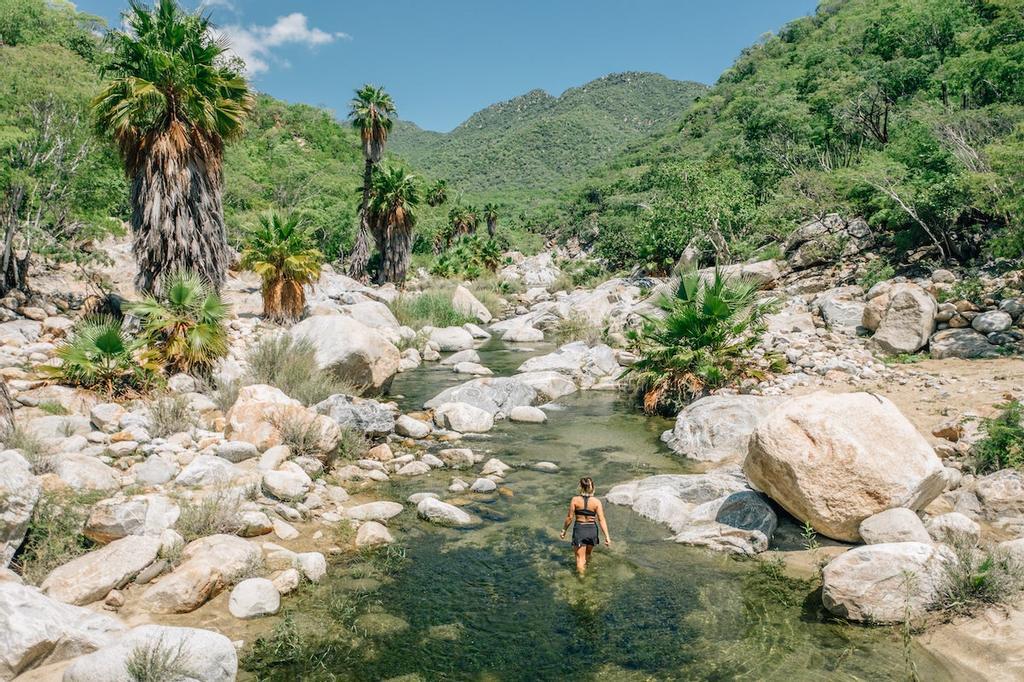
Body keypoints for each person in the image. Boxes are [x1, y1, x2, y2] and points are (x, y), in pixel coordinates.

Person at [560, 477, 611, 574]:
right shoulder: (596, 502)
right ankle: (587, 571)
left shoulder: (575, 500)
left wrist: (564, 530)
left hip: (580, 530)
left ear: (580, 487)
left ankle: (582, 580)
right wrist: (607, 537)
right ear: (592, 487)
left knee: (580, 559)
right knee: (587, 554)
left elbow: (569, 518)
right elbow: (601, 519)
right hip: (592, 531)